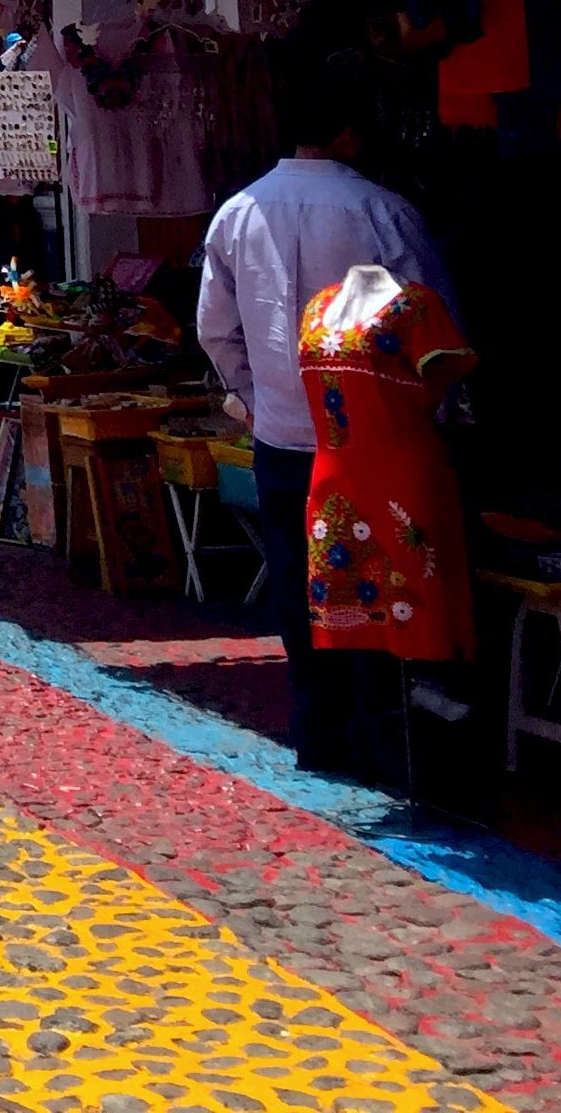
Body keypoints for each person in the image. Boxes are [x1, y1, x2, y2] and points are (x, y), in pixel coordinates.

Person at [195, 46, 447, 773]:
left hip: (282, 435)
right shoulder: (380, 211)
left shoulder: (239, 213)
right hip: (377, 442)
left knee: (302, 590)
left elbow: (216, 327)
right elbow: (430, 327)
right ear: (351, 131)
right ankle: (378, 734)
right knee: (382, 590)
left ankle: (319, 732)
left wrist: (251, 397)